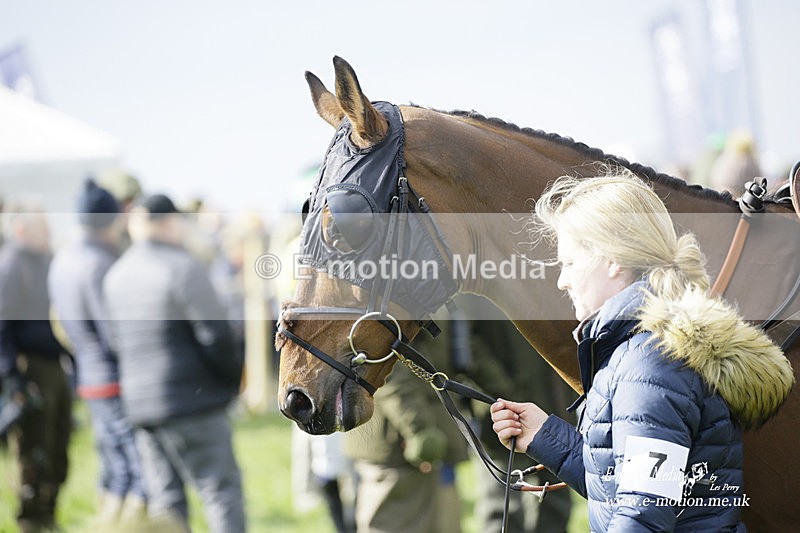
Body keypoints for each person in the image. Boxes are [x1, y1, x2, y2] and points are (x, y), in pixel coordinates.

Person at [491, 170, 794, 532]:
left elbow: (643, 515)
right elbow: (626, 489)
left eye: (569, 263)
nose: (562, 280)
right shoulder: (640, 350)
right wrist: (544, 435)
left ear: (613, 260)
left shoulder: (650, 361)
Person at [103, 193, 246, 532]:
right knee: (219, 490)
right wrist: (230, 381)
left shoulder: (115, 275)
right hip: (193, 401)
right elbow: (216, 335)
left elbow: (114, 342)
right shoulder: (183, 267)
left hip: (141, 406)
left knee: (165, 501)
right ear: (168, 223)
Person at [48, 179, 147, 526]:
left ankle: (107, 521)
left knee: (112, 462)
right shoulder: (100, 263)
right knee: (136, 467)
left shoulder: (63, 259)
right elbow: (113, 333)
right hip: (114, 375)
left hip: (88, 373)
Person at [452, 294, 573, 532]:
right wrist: (508, 392)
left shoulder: (542, 275)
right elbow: (466, 346)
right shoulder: (476, 283)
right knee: (504, 508)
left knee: (556, 505)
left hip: (553, 406)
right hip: (501, 412)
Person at [343, 319, 469, 533]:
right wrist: (419, 430)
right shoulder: (384, 296)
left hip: (426, 438)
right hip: (398, 446)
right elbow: (387, 371)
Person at [0, 201, 73, 532]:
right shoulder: (12, 265)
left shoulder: (44, 261)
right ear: (21, 229)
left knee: (58, 447)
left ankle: (49, 516)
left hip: (53, 365)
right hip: (30, 368)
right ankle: (33, 521)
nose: (49, 233)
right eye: (42, 227)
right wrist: (14, 379)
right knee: (35, 451)